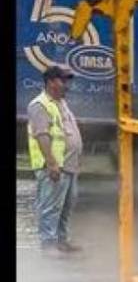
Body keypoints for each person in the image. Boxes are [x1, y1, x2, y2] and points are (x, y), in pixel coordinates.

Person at [27, 65, 83, 255]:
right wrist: (51, 164)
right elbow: (42, 135)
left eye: (68, 80)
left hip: (69, 165)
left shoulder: (61, 103)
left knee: (66, 207)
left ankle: (61, 241)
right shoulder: (40, 105)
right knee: (51, 207)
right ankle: (49, 245)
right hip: (54, 166)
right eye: (63, 80)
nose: (67, 84)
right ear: (51, 82)